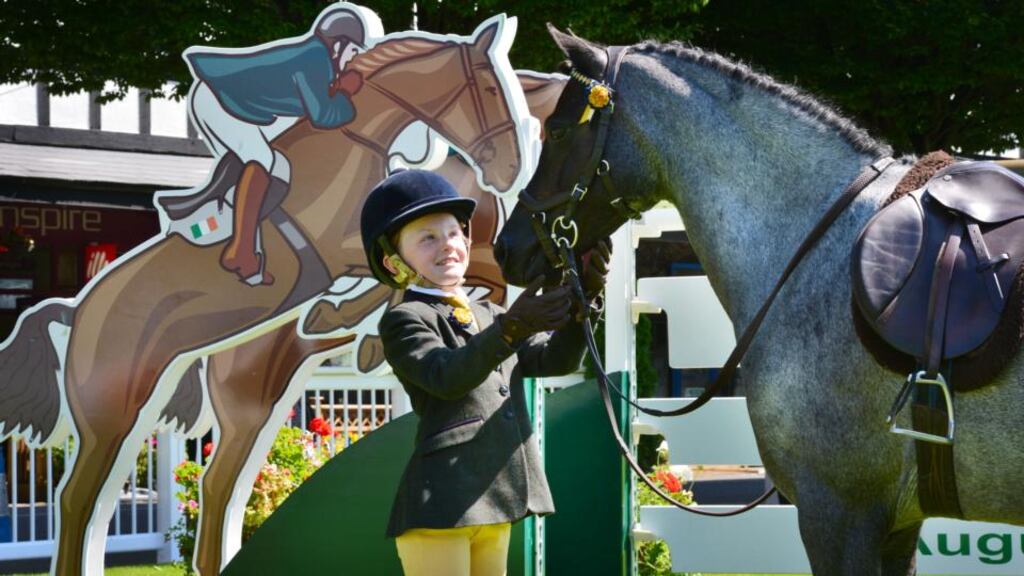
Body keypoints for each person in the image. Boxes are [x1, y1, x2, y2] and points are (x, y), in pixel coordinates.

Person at [360, 169, 610, 576]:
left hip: (496, 495)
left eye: (454, 233)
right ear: (394, 262)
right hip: (440, 503)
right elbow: (447, 377)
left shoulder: (489, 314)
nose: (447, 246)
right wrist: (513, 327)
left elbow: (556, 361)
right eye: (427, 238)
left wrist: (586, 300)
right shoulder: (405, 319)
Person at [186, 6, 368, 285]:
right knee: (262, 161)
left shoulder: (320, 60)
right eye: (353, 50)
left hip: (242, 107)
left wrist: (338, 89)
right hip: (216, 99)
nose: (354, 58)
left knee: (280, 169)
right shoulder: (314, 58)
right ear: (339, 44)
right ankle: (240, 251)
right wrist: (345, 91)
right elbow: (323, 116)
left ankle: (248, 252)